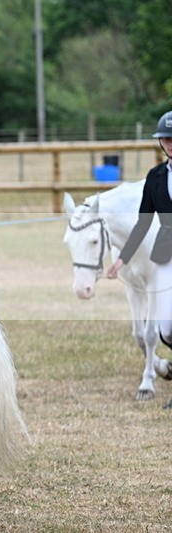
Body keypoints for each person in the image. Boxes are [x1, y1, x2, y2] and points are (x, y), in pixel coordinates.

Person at [107, 110, 172, 409]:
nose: (170, 144)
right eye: (166, 140)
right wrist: (121, 260)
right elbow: (143, 223)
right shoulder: (155, 178)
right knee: (167, 328)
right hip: (166, 252)